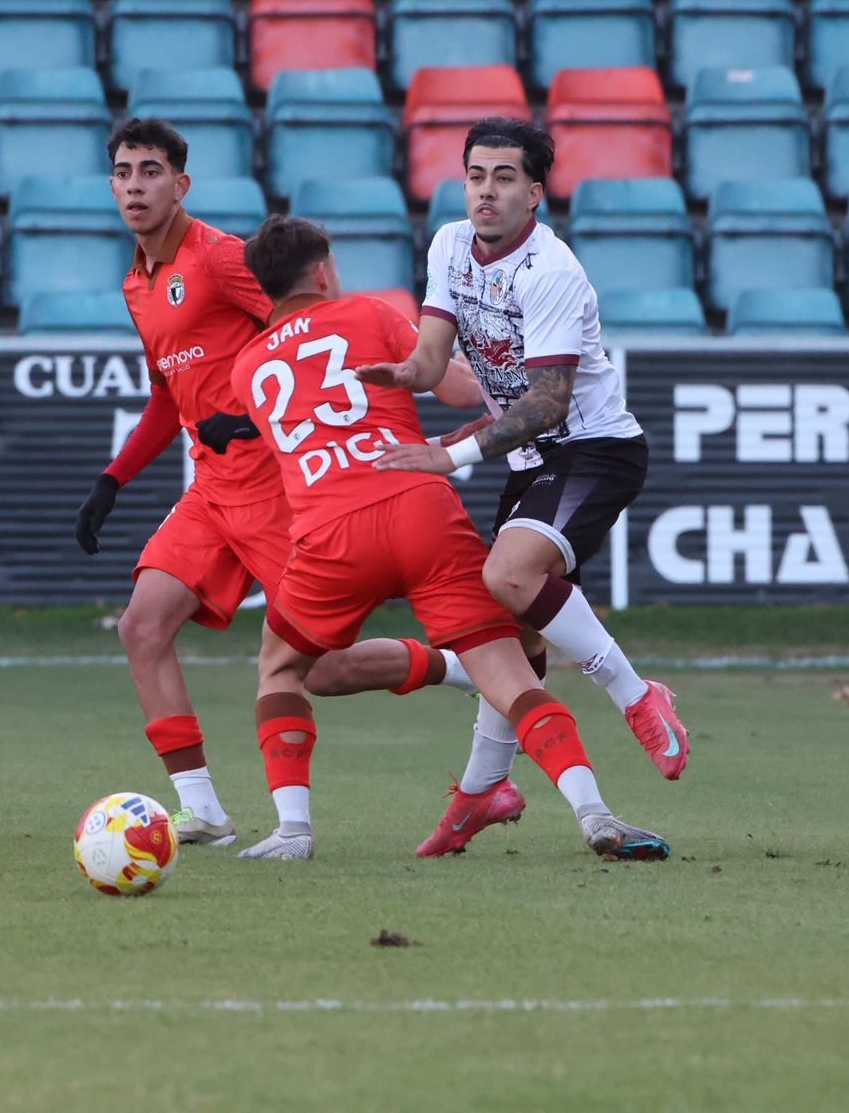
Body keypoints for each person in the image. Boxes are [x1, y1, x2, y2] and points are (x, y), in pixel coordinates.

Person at [75, 119, 475, 848]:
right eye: (125, 172)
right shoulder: (136, 283)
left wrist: (251, 425)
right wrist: (114, 478)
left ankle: (458, 665)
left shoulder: (223, 259)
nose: (136, 184)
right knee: (142, 625)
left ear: (180, 184)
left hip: (277, 489)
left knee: (320, 672)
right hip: (210, 490)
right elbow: (169, 394)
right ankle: (205, 812)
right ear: (112, 185)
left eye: (151, 171)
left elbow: (315, 342)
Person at [229, 214, 670, 863]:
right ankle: (593, 810)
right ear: (322, 272)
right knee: (512, 676)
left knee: (286, 669)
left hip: (333, 531)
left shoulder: (248, 368)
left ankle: (293, 831)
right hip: (419, 511)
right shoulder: (368, 315)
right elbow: (462, 388)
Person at [351, 117, 691, 857]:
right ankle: (482, 791)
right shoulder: (447, 244)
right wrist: (393, 373)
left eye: (505, 177)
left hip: (594, 449)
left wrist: (452, 456)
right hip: (532, 458)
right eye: (476, 175)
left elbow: (546, 404)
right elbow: (433, 357)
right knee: (515, 640)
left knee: (505, 575)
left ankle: (637, 695)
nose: (486, 191)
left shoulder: (554, 272)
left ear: (535, 192)